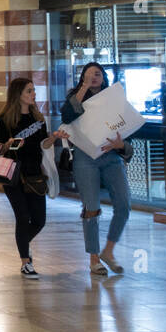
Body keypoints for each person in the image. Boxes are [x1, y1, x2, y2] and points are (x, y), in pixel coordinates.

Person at [59, 63, 128, 275]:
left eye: (97, 74)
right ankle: (94, 258)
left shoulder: (114, 98)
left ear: (104, 77)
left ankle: (109, 250)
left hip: (112, 156)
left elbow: (127, 126)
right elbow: (67, 116)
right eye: (88, 75)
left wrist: (122, 146)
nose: (93, 78)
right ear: (81, 79)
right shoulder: (76, 97)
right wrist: (83, 88)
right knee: (91, 207)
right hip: (85, 157)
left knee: (124, 205)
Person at [0, 78, 67, 279]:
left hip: (35, 173)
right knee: (22, 216)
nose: (33, 94)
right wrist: (9, 144)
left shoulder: (38, 118)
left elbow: (43, 146)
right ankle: (25, 262)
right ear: (18, 94)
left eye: (33, 90)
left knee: (39, 220)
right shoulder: (4, 120)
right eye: (29, 91)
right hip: (13, 174)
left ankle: (23, 244)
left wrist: (53, 138)